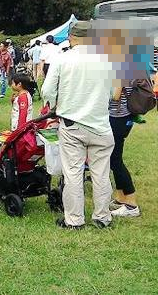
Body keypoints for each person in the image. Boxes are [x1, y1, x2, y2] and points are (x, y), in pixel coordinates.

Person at [42, 21, 115, 229]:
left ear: (72, 37)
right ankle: (102, 217)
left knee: (73, 173)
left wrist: (54, 104)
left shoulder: (62, 59)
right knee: (101, 173)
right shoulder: (107, 60)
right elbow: (112, 94)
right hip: (101, 125)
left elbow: (47, 90)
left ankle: (74, 220)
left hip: (72, 125)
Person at [109, 83, 141, 217]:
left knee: (115, 161)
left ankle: (131, 204)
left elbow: (115, 95)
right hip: (123, 117)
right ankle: (121, 198)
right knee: (114, 159)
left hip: (118, 118)